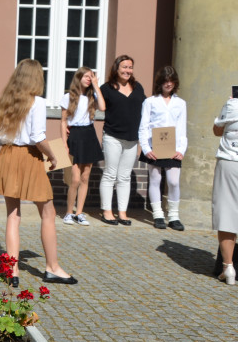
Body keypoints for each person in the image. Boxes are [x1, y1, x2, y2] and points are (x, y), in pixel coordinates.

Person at [0, 59, 77, 285]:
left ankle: (12, 270)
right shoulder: (37, 103)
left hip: (8, 156)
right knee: (48, 213)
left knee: (13, 214)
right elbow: (38, 137)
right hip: (29, 157)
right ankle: (52, 267)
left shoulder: (7, 101)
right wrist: (53, 155)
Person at [138, 66, 187, 230]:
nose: (169, 84)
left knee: (173, 181)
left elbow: (182, 128)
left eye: (171, 81)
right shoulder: (150, 102)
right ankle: (158, 214)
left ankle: (174, 216)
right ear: (160, 82)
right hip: (154, 146)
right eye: (166, 81)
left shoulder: (180, 103)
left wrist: (181, 149)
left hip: (173, 147)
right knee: (155, 179)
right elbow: (143, 127)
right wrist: (146, 148)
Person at [99, 55, 146, 225]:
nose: (128, 70)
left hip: (132, 139)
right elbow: (97, 106)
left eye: (130, 67)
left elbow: (145, 108)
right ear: (117, 68)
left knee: (124, 176)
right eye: (124, 67)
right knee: (110, 173)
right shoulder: (106, 88)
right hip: (112, 136)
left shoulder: (137, 87)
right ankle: (107, 211)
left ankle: (122, 213)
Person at [60, 67, 106, 226]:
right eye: (87, 76)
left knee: (85, 177)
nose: (89, 79)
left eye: (91, 77)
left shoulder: (92, 96)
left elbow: (103, 107)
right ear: (79, 77)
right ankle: (68, 212)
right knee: (75, 178)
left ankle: (79, 213)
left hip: (89, 134)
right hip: (75, 135)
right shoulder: (68, 97)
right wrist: (64, 143)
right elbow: (63, 121)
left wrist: (96, 86)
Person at [213, 94, 238, 284]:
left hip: (230, 162)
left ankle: (228, 267)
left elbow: (217, 130)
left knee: (227, 212)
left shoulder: (231, 104)